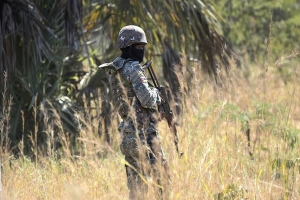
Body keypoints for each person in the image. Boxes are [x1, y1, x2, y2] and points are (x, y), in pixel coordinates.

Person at [107, 25, 170, 199]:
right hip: (143, 136)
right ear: (128, 47)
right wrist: (158, 94)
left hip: (127, 135)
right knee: (162, 183)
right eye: (139, 47)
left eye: (143, 47)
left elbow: (130, 101)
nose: (141, 50)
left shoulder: (115, 69)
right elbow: (147, 99)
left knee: (136, 192)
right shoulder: (133, 68)